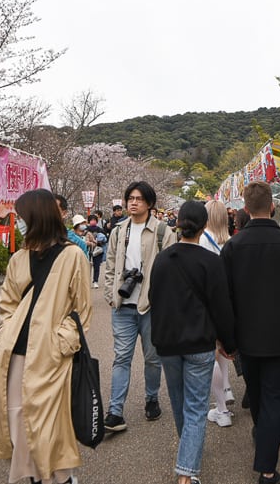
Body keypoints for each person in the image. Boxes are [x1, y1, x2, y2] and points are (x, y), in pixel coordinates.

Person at [0, 189, 91, 484]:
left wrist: (60, 343)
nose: (19, 222)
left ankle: (61, 478)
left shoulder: (73, 255)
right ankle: (35, 477)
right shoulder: (19, 258)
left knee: (49, 423)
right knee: (18, 419)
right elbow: (8, 304)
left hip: (52, 356)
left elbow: (82, 312)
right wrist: (8, 334)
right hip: (15, 354)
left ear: (37, 217)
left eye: (23, 217)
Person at [219, 181, 280, 484]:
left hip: (246, 335)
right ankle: (268, 469)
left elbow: (224, 298)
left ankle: (264, 440)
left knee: (257, 393)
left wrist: (226, 339)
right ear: (272, 206)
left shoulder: (232, 247)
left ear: (244, 209)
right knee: (274, 396)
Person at [149, 201, 237, 484]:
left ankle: (189, 450)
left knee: (178, 401)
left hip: (168, 342)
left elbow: (154, 299)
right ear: (203, 226)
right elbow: (221, 307)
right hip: (199, 342)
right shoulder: (210, 262)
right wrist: (228, 342)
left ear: (178, 223)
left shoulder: (162, 259)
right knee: (197, 406)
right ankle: (186, 474)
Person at [103, 181, 177, 432]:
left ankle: (151, 398)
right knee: (121, 357)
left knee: (152, 358)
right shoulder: (118, 231)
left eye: (139, 199)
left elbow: (171, 268)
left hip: (151, 305)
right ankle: (115, 410)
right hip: (123, 305)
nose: (133, 202)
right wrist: (110, 293)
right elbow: (110, 265)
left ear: (149, 203)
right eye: (130, 198)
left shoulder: (162, 231)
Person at [200, 199, 237, 427]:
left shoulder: (203, 240)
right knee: (223, 352)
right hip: (229, 305)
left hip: (209, 305)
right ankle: (226, 388)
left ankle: (222, 408)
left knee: (209, 356)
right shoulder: (231, 241)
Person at [85, 214, 107, 289]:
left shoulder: (100, 230)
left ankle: (95, 281)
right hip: (88, 250)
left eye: (94, 220)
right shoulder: (86, 230)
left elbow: (105, 240)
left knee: (96, 266)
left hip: (98, 251)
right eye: (91, 220)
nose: (93, 221)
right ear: (89, 221)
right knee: (87, 267)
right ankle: (87, 281)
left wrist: (100, 242)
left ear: (97, 221)